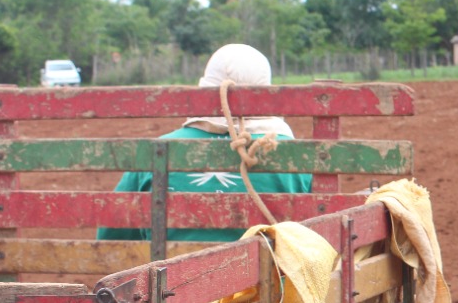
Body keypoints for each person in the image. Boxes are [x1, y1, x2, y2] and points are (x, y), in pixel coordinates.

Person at [98, 42, 310, 241]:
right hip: (266, 280)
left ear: (204, 90)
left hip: (168, 279)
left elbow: (112, 238)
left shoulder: (152, 152)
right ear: (265, 93)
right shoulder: (296, 157)